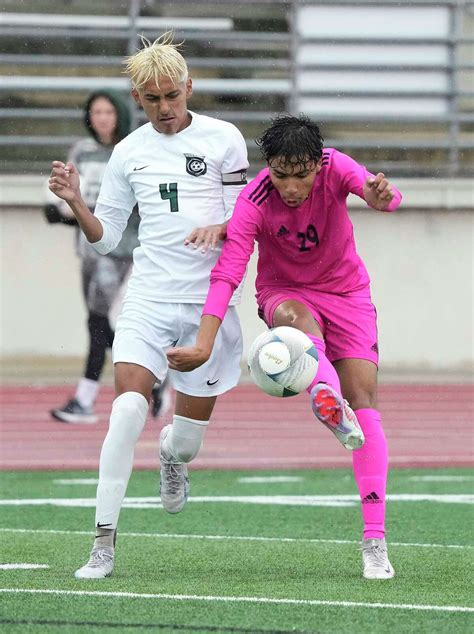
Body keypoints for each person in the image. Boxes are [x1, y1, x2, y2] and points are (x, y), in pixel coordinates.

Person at [167, 114, 403, 580]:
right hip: (285, 295)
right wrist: (203, 342)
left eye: (301, 174)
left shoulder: (337, 167)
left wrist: (384, 197)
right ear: (268, 168)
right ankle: (327, 398)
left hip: (349, 293)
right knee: (298, 324)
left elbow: (384, 197)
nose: (290, 187)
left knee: (367, 401)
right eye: (280, 175)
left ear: (318, 164)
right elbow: (228, 274)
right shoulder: (255, 199)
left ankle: (374, 542)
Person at [48, 32, 248, 579]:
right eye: (152, 99)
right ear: (137, 97)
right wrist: (77, 204)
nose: (164, 108)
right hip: (150, 299)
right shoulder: (128, 153)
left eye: (171, 96)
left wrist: (221, 225)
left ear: (189, 87)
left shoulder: (225, 139)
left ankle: (171, 458)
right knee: (127, 409)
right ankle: (103, 543)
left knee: (185, 442)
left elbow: (245, 222)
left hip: (208, 305)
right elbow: (108, 238)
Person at [45, 90, 170, 423]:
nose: (102, 118)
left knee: (99, 323)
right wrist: (61, 207)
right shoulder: (82, 152)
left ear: (121, 115)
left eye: (108, 111)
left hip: (120, 249)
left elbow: (125, 209)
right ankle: (155, 377)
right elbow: (76, 198)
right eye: (96, 111)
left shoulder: (130, 151)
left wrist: (72, 214)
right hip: (88, 249)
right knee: (101, 324)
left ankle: (86, 399)